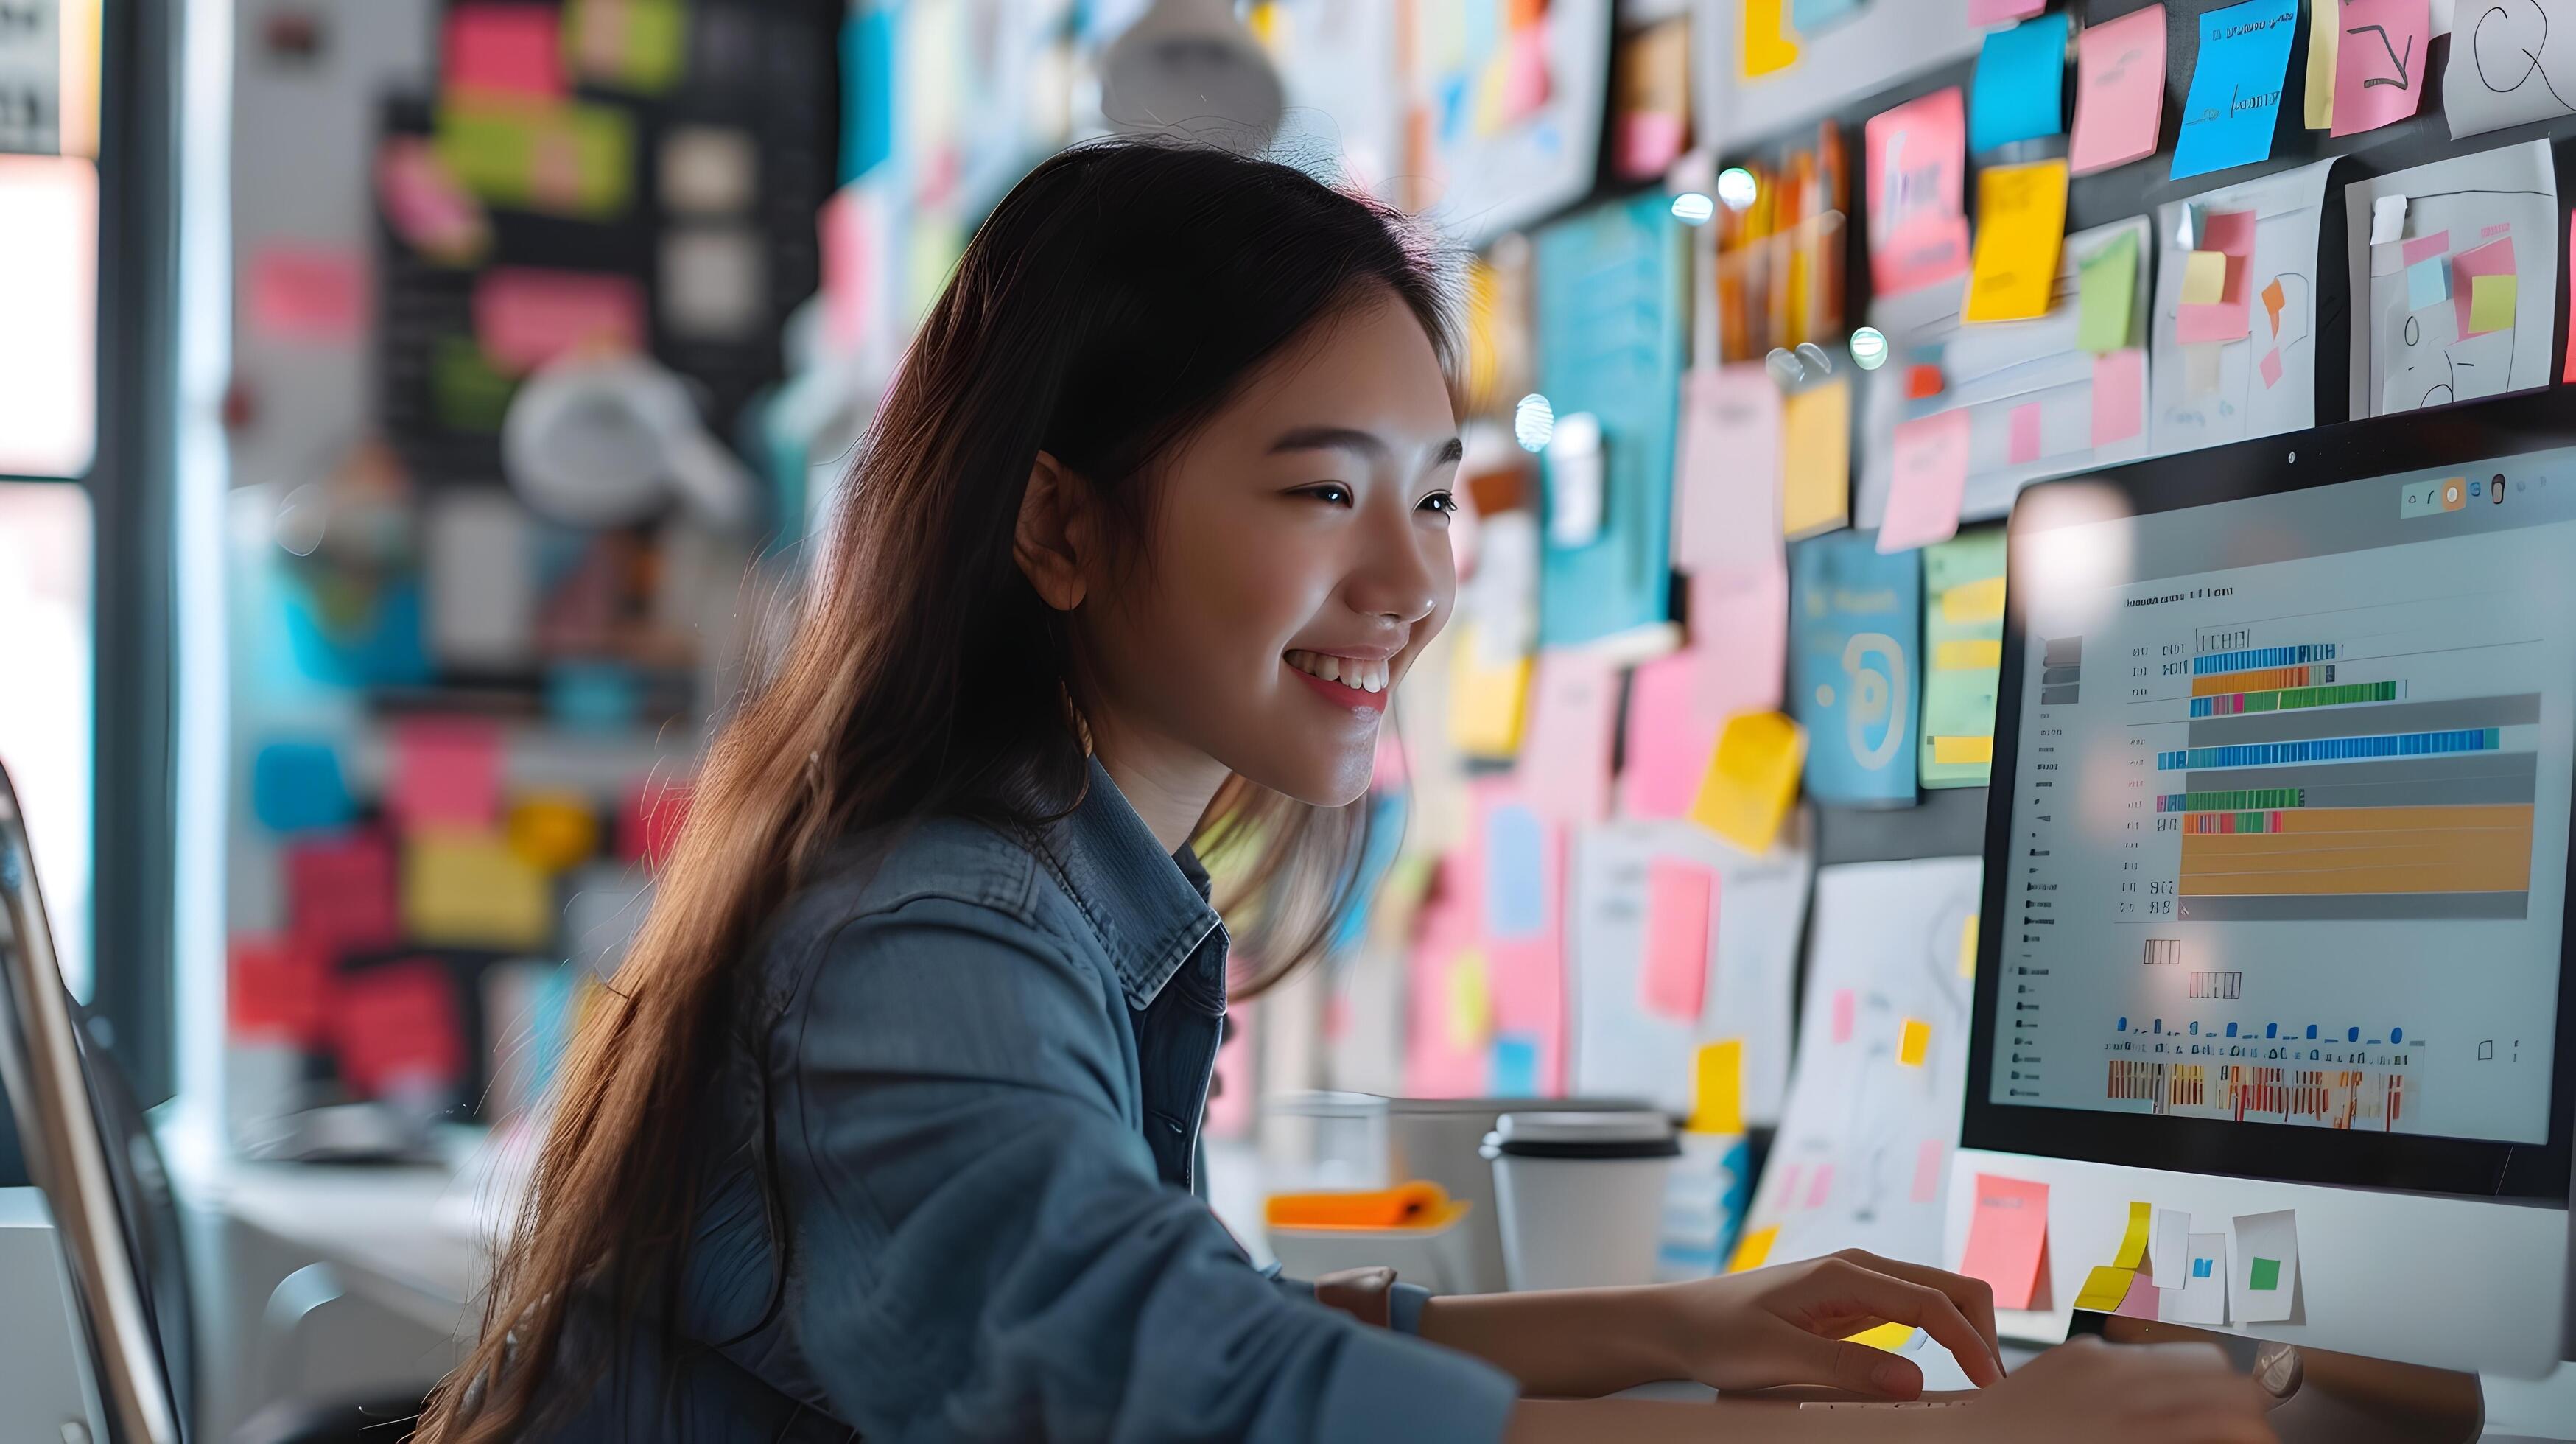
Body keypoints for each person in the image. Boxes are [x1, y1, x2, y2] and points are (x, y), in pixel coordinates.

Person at [415, 140, 2276, 1444]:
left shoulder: (1056, 883)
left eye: (1439, 491)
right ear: (1058, 519)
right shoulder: (935, 932)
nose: (1414, 578)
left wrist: (1675, 1321)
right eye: (1323, 492)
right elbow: (1176, 1403)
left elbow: (1183, 1326)